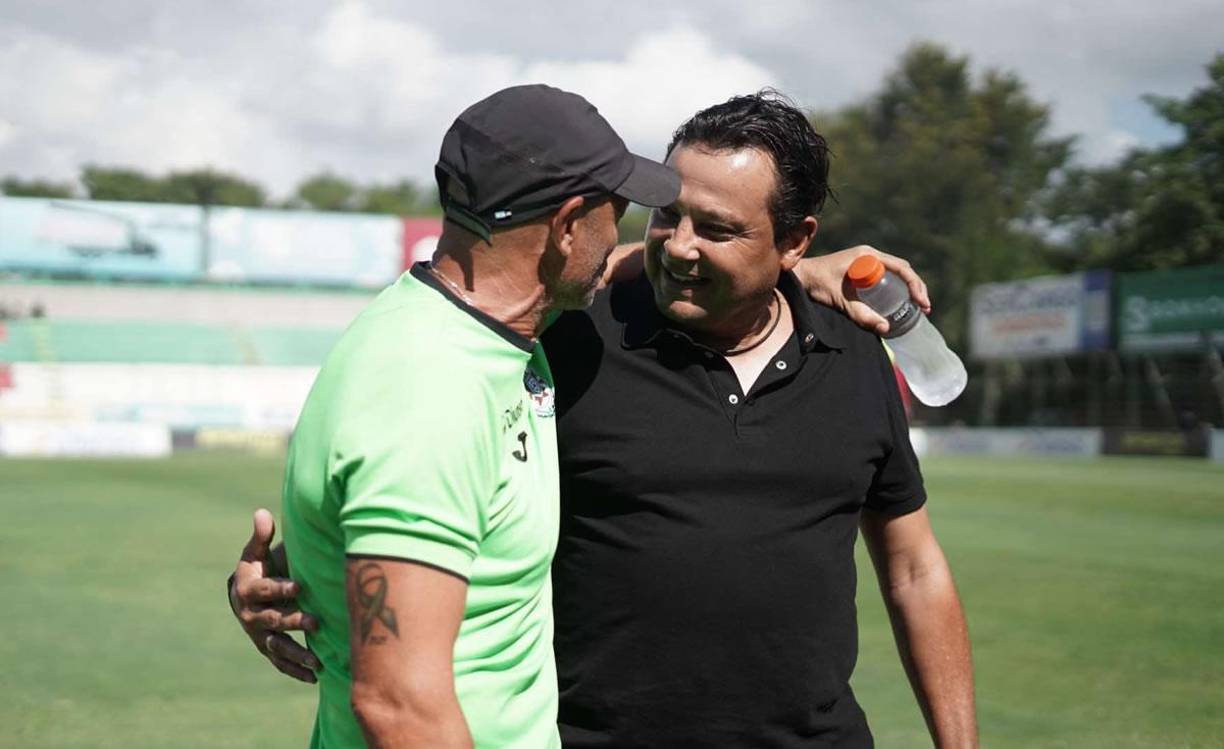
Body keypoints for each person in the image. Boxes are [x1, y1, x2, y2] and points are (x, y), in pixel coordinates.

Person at [232, 92, 976, 747]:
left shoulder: (850, 352)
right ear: (569, 226)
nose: (671, 245)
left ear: (794, 239)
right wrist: (305, 585)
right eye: (656, 215)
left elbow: (915, 566)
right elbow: (400, 696)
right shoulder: (514, 357)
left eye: (716, 229)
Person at [268, 83, 682, 749]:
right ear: (570, 224)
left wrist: (794, 272)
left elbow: (603, 267)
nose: (625, 232)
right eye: (620, 210)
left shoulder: (478, 329)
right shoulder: (430, 387)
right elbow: (400, 706)